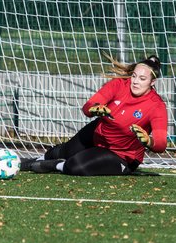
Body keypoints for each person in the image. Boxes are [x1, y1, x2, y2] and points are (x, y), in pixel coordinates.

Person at [21, 52, 168, 175]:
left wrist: (148, 141)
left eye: (142, 79)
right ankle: (35, 161)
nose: (135, 81)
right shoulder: (118, 85)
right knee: (62, 151)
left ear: (152, 82)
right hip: (98, 134)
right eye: (134, 76)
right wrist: (94, 109)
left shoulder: (157, 106)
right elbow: (88, 106)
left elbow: (161, 144)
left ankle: (57, 166)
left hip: (122, 156)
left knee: (76, 166)